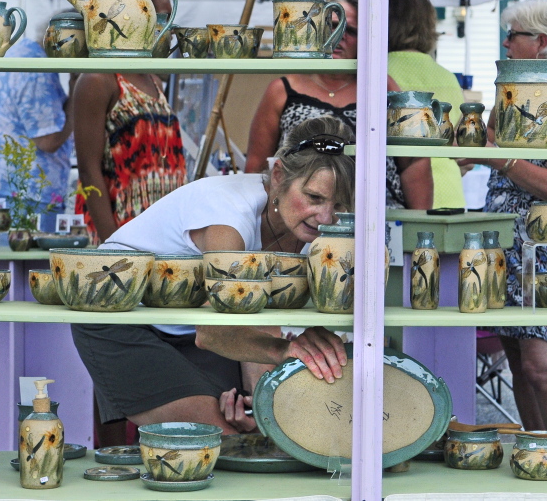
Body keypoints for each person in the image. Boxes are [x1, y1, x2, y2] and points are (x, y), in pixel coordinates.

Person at [71, 117, 353, 434]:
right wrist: (285, 351)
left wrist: (260, 410)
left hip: (190, 326)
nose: (326, 217)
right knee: (219, 441)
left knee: (258, 432)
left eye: (338, 204)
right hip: (120, 315)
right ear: (278, 176)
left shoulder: (298, 223)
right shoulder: (229, 215)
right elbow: (212, 332)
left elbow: (255, 317)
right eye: (314, 198)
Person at [458, 0, 547, 433]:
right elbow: (491, 141)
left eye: (512, 35)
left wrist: (496, 159)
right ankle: (540, 455)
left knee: (539, 364)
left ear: (541, 42)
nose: (505, 43)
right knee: (518, 361)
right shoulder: (514, 92)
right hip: (509, 242)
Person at [245, 0, 432, 210]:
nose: (339, 35)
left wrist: (419, 225)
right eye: (331, 25)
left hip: (377, 218)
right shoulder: (283, 90)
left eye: (351, 30)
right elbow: (257, 167)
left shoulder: (381, 87)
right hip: (301, 219)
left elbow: (413, 162)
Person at [73, 0, 185, 244]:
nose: (165, 30)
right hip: (123, 232)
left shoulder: (154, 79)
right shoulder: (99, 80)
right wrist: (114, 243)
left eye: (167, 20)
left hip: (165, 233)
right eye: (156, 17)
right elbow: (87, 170)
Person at [0, 35, 74, 233]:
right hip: (18, 197)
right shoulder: (35, 68)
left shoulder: (22, 52)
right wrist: (78, 90)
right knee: (14, 263)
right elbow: (48, 140)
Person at [387, 0, 465, 209]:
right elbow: (460, 142)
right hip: (450, 194)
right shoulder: (447, 76)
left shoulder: (377, 72)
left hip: (403, 197)